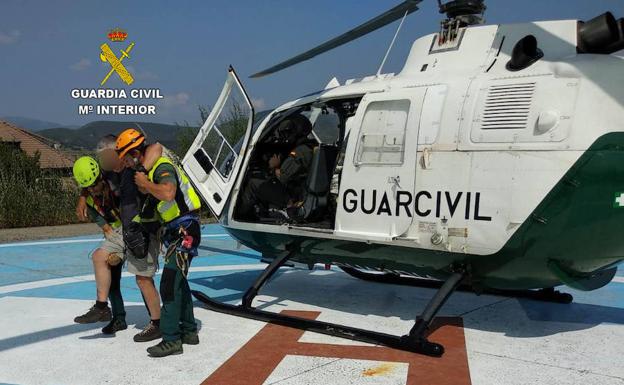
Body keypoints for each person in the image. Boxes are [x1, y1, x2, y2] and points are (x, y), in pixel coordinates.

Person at [116, 128, 202, 357]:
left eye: (126, 157)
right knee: (179, 282)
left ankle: (172, 339)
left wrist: (145, 183)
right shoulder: (149, 167)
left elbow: (168, 192)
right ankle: (190, 330)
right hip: (177, 231)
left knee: (169, 284)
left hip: (186, 229)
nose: (126, 163)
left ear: (135, 152)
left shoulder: (160, 168)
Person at [76, 134, 164, 341]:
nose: (103, 163)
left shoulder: (130, 168)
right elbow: (91, 183)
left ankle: (157, 322)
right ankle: (103, 308)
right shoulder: (108, 172)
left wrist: (141, 171)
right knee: (100, 258)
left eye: (106, 157)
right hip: (123, 231)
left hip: (140, 229)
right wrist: (82, 196)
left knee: (143, 278)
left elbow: (156, 147)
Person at [238, 114, 315, 218]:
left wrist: (273, 167)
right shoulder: (310, 147)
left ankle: (241, 215)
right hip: (299, 190)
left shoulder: (300, 152)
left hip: (293, 196)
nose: (287, 136)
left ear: (297, 132)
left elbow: (283, 177)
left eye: (289, 133)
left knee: (253, 183)